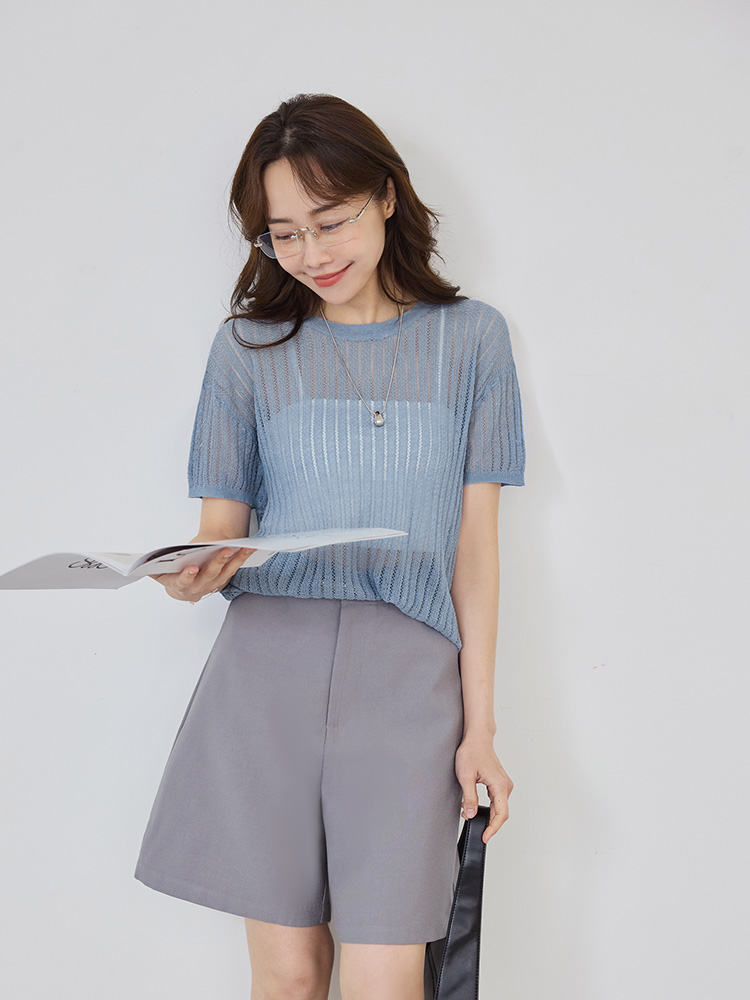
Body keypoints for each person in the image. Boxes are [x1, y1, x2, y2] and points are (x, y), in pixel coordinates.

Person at [136, 93, 526, 1000]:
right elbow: (220, 532)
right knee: (290, 976)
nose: (312, 253)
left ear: (386, 196)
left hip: (408, 678)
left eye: (331, 220)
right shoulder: (246, 350)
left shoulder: (472, 340)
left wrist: (481, 726)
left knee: (387, 977)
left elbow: (474, 550)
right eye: (284, 234)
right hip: (266, 670)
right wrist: (192, 576)